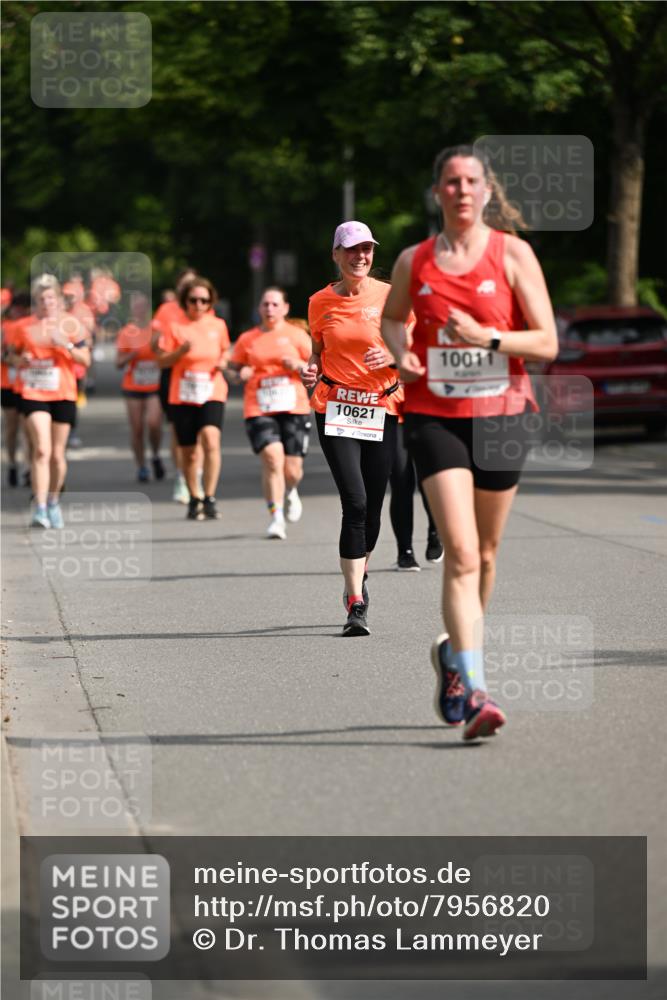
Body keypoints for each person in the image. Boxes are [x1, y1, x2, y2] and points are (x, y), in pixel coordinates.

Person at [381, 144, 558, 740]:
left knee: (484, 554)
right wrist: (402, 353)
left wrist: (489, 340)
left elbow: (547, 343)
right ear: (438, 193)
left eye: (471, 181)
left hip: (504, 414)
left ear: (486, 192)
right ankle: (477, 688)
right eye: (451, 182)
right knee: (458, 552)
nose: (461, 190)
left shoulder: (513, 255)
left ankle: (454, 653)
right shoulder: (414, 260)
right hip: (435, 415)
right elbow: (390, 317)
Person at [302, 221, 403, 637]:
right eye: (351, 250)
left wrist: (393, 354)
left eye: (366, 249)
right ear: (336, 255)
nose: (360, 256)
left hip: (383, 406)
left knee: (374, 507)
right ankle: (355, 600)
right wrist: (311, 372)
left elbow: (416, 349)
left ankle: (361, 570)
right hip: (337, 407)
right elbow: (318, 351)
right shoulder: (319, 302)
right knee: (356, 501)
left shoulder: (393, 296)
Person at [228, 287, 312, 539]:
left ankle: (291, 491)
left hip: (294, 406)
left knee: (292, 470)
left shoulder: (298, 335)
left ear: (285, 308)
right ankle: (275, 517)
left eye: (275, 304)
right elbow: (231, 370)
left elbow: (316, 369)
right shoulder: (247, 339)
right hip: (259, 406)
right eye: (265, 304)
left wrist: (298, 365)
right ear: (259, 308)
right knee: (273, 459)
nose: (270, 309)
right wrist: (238, 374)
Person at [12, 275, 90, 528]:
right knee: (42, 449)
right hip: (33, 392)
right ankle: (40, 507)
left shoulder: (71, 325)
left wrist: (65, 344)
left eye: (50, 298)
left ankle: (54, 501)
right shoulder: (23, 326)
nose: (46, 303)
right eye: (41, 299)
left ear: (58, 300)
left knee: (57, 455)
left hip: (63, 393)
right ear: (35, 302)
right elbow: (9, 356)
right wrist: (18, 361)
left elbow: (85, 360)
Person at [157, 276, 230, 521]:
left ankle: (209, 496)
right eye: (193, 300)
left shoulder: (218, 325)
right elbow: (161, 361)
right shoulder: (175, 326)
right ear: (185, 301)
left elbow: (225, 352)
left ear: (211, 302)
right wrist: (180, 351)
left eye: (204, 300)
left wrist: (223, 362)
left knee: (211, 439)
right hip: (183, 392)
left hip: (212, 389)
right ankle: (194, 496)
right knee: (188, 451)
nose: (198, 305)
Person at [151, 268, 199, 504]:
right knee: (178, 428)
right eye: (184, 286)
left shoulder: (203, 308)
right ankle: (182, 475)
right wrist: (163, 346)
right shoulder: (166, 310)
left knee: (203, 430)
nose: (189, 292)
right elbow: (155, 344)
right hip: (173, 373)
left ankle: (196, 474)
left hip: (200, 375)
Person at [116, 292, 164, 482]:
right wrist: (131, 355)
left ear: (149, 308)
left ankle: (156, 454)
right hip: (133, 385)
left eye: (143, 306)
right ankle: (142, 465)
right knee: (136, 429)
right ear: (132, 310)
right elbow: (118, 363)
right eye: (136, 306)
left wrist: (156, 349)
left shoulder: (158, 330)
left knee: (153, 423)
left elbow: (167, 353)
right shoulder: (127, 332)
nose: (140, 310)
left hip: (155, 384)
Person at [1, 290, 31, 486]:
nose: (18, 312)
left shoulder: (33, 327)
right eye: (16, 308)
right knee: (12, 428)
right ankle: (12, 463)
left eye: (22, 309)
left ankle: (29, 467)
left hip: (29, 385)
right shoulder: (4, 327)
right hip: (8, 383)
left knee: (28, 428)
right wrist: (12, 358)